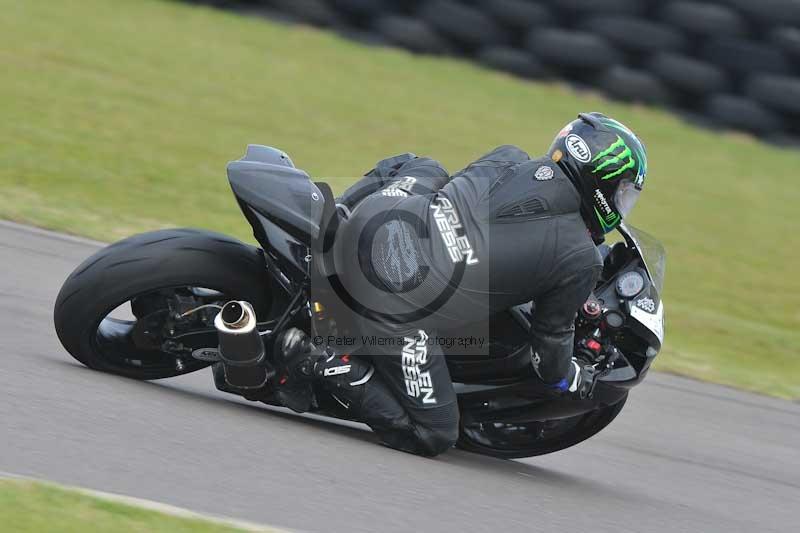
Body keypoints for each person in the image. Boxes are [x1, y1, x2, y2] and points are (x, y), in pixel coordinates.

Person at [273, 112, 648, 457]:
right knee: (435, 433)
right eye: (623, 192)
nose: (622, 204)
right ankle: (324, 359)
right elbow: (548, 348)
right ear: (601, 181)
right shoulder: (579, 257)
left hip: (373, 220)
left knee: (422, 165)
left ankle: (334, 216)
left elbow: (468, 207)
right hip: (391, 301)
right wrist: (573, 376)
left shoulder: (508, 157)